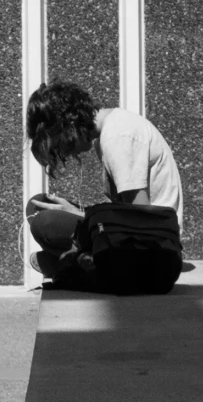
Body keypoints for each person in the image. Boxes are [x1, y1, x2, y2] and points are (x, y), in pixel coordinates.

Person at [24, 81, 182, 273]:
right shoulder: (109, 131)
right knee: (37, 205)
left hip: (154, 247)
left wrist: (79, 214)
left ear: (69, 125)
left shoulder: (117, 136)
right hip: (135, 233)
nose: (67, 154)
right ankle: (79, 262)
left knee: (45, 223)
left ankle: (79, 265)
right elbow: (124, 210)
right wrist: (78, 211)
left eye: (62, 145)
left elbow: (142, 219)